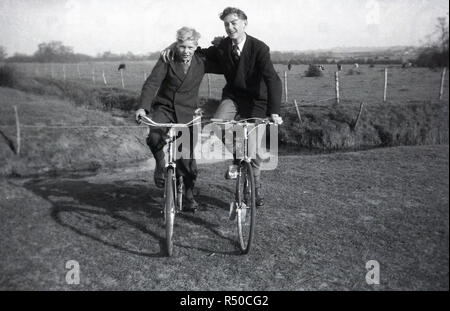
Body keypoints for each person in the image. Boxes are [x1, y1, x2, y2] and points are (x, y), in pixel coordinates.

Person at [162, 7, 283, 208]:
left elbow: (273, 79)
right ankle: (237, 158)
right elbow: (196, 51)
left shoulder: (259, 48)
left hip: (257, 103)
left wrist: (275, 112)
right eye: (226, 24)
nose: (230, 27)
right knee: (218, 124)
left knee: (252, 151)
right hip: (233, 98)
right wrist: (173, 46)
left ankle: (254, 189)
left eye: (234, 22)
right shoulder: (223, 46)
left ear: (244, 23)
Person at [136, 27, 220, 211]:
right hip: (164, 108)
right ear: (177, 44)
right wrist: (143, 107)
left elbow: (226, 60)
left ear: (196, 46)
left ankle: (189, 194)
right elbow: (152, 83)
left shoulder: (202, 62)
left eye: (190, 47)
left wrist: (221, 42)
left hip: (188, 113)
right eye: (182, 46)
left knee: (188, 160)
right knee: (154, 137)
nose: (186, 51)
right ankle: (159, 164)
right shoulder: (167, 59)